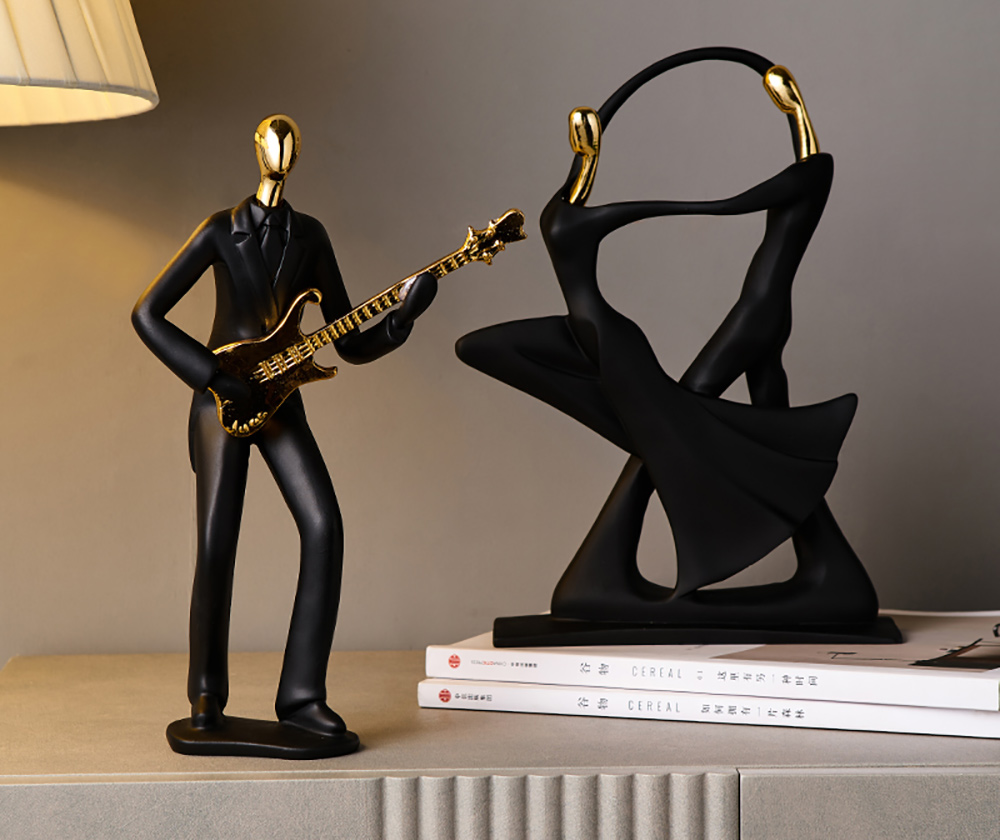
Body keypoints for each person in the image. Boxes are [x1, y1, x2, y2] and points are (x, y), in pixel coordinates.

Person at [458, 49, 880, 634]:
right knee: (735, 419)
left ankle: (804, 556)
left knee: (681, 418)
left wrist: (722, 186)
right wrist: (608, 167)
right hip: (642, 324)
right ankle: (822, 561)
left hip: (750, 314)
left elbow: (747, 198)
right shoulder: (566, 204)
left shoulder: (814, 172)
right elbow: (654, 202)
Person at [133, 115, 436, 752]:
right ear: (257, 149)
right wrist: (213, 375)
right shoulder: (220, 229)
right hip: (222, 401)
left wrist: (402, 320)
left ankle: (301, 697)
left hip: (282, 402)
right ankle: (206, 698)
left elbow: (349, 342)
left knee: (324, 525)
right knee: (216, 543)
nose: (282, 152)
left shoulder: (312, 237)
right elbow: (147, 313)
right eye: (273, 141)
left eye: (290, 143)